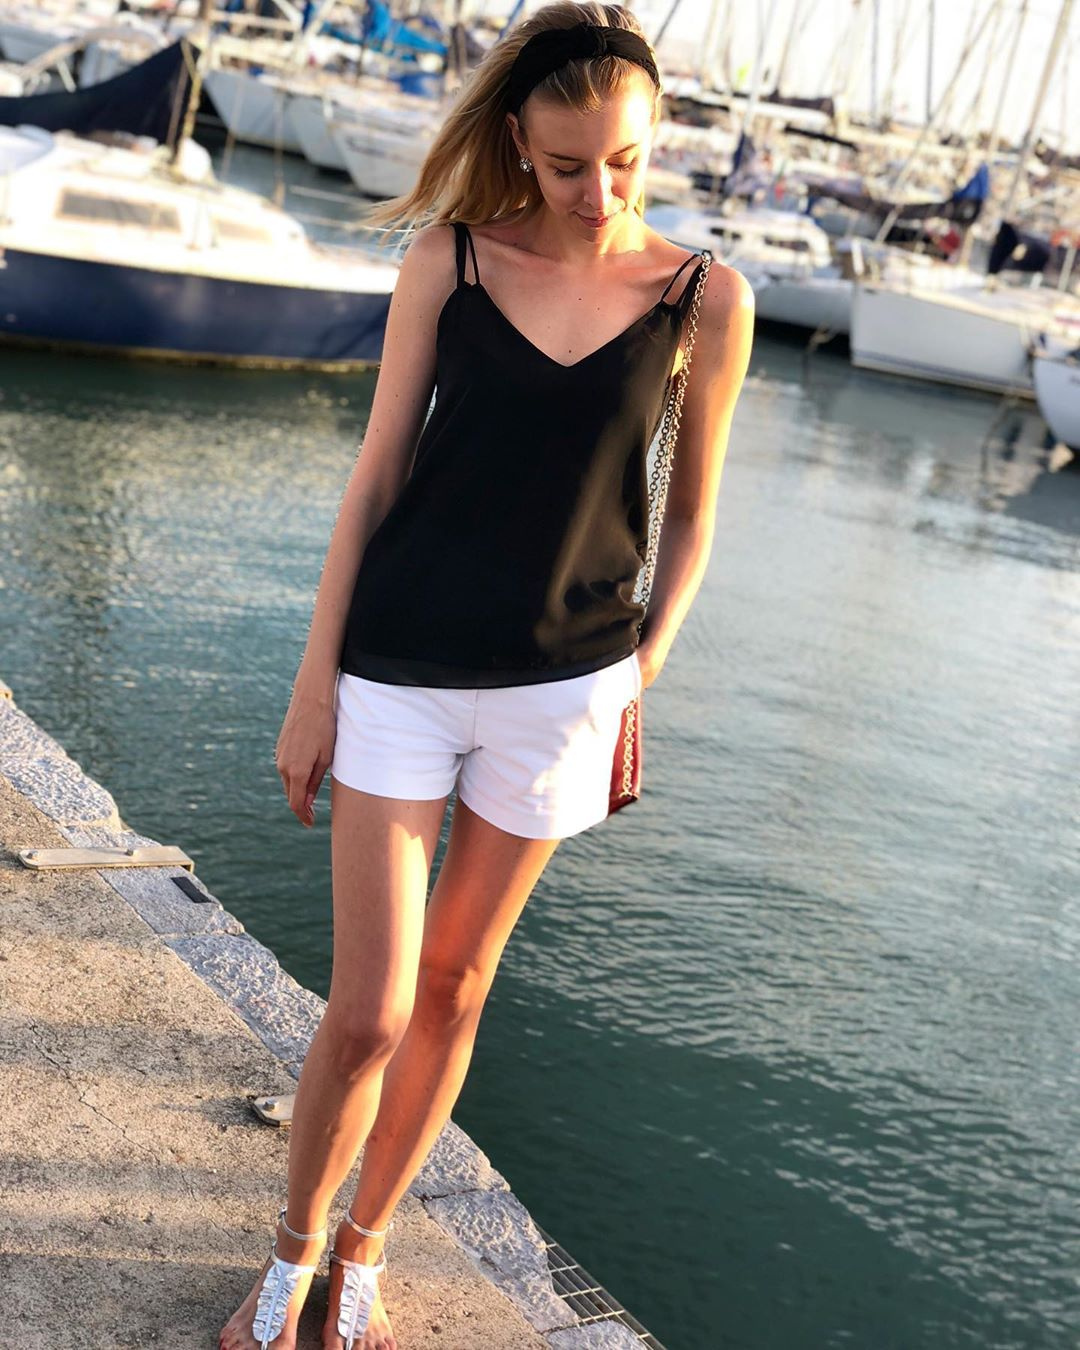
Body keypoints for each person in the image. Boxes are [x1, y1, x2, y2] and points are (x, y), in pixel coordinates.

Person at [219, 3, 753, 1347]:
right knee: (370, 1008)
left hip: (566, 690)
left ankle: (364, 1251)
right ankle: (288, 1259)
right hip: (398, 666)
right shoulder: (449, 261)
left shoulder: (705, 299)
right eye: (568, 165)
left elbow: (692, 519)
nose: (598, 192)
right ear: (518, 138)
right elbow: (375, 477)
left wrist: (641, 674)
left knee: (457, 988)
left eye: (624, 161)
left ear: (654, 141)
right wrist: (314, 685)